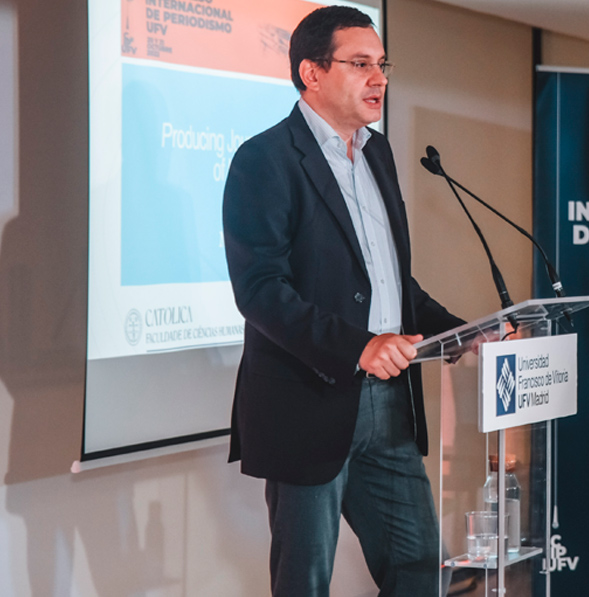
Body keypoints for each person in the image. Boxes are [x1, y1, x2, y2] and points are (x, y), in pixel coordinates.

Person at [222, 6, 465, 596]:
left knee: (421, 569)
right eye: (360, 64)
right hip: (308, 403)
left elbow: (390, 281)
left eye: (382, 64)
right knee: (304, 582)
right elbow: (260, 290)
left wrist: (466, 331)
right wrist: (359, 346)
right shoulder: (265, 159)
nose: (379, 79)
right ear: (312, 72)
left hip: (390, 404)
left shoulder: (378, 153)